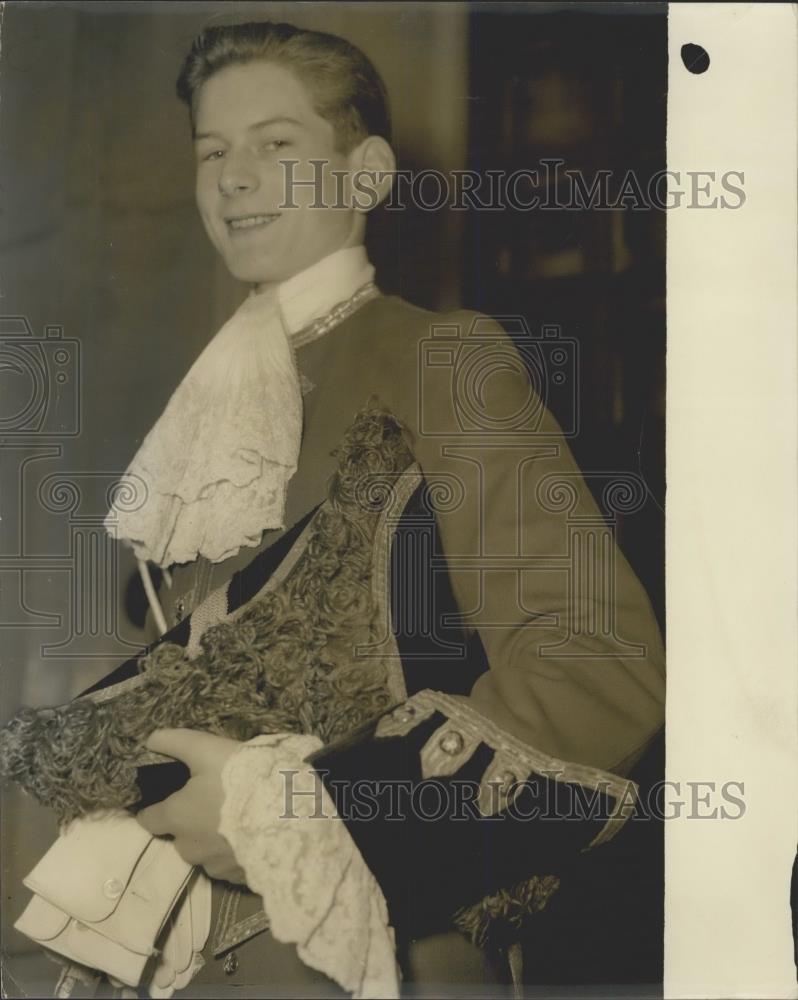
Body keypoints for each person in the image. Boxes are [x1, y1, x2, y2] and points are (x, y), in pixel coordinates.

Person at [5, 19, 665, 998]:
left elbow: (601, 667)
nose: (232, 178)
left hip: (360, 958)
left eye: (277, 145)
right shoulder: (198, 420)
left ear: (366, 175)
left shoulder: (444, 356)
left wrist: (304, 808)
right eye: (212, 152)